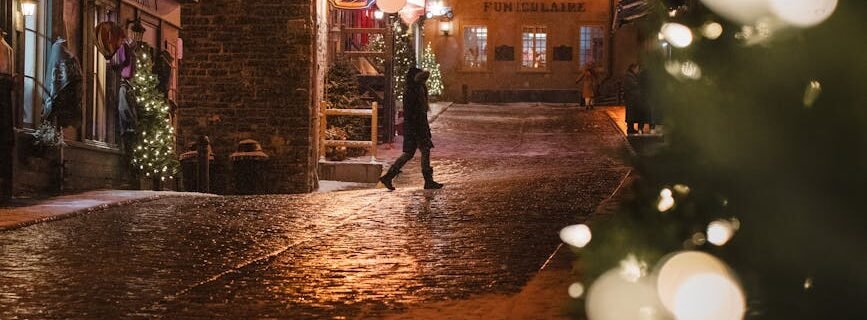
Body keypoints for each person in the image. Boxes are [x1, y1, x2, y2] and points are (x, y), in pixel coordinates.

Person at [379, 67, 443, 190]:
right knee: (421, 151)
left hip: (417, 125)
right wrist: (418, 127)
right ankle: (427, 181)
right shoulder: (412, 90)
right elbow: (413, 111)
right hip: (416, 126)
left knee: (411, 153)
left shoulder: (417, 88)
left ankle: (389, 176)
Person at [622, 63, 644, 134]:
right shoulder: (628, 76)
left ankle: (631, 128)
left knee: (632, 114)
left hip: (633, 98)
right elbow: (634, 85)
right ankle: (630, 128)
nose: (637, 70)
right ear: (633, 68)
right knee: (630, 114)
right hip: (631, 98)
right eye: (637, 68)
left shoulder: (632, 75)